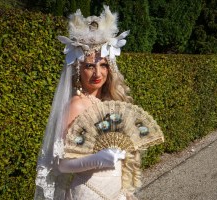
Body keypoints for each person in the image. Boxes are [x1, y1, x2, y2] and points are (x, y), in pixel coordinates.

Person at [34, 6, 140, 200]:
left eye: (103, 65)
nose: (97, 73)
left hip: (115, 191)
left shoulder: (109, 100)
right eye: (89, 66)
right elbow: (61, 163)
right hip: (88, 192)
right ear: (78, 69)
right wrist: (97, 160)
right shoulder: (77, 104)